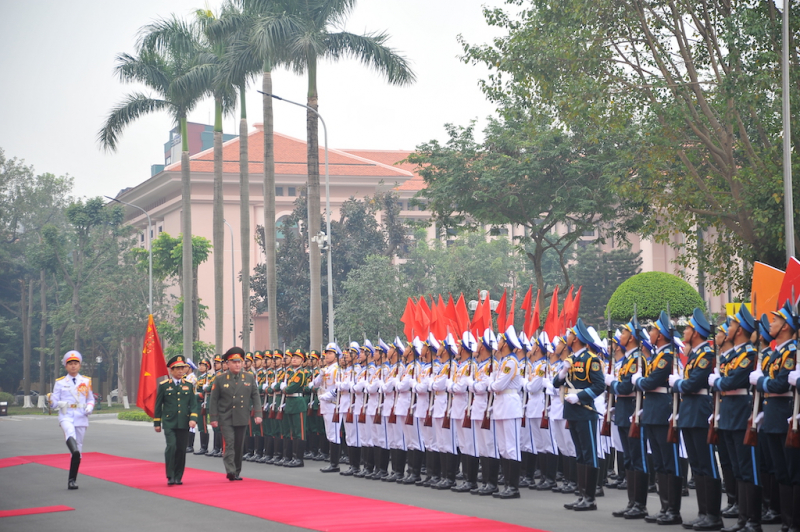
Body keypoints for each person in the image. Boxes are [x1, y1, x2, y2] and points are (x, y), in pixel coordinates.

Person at [554, 318, 605, 511]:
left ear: (575, 338)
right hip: (571, 411)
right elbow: (555, 384)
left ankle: (590, 499)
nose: (566, 336)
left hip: (585, 410)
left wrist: (581, 397)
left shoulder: (591, 360)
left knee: (589, 453)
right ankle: (582, 495)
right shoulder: (570, 360)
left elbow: (599, 385)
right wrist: (561, 374)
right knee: (580, 454)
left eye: (569, 333)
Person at [209, 347, 262, 481]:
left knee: (239, 445)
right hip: (225, 416)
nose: (237, 364)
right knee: (230, 443)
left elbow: (255, 396)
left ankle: (237, 471)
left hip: (242, 416)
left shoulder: (249, 377)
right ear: (227, 364)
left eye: (239, 362)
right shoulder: (220, 379)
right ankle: (230, 470)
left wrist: (258, 414)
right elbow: (213, 400)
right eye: (234, 362)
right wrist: (214, 418)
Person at [49, 350, 95, 490]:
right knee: (69, 433)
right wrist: (51, 401)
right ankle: (74, 451)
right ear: (66, 366)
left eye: (76, 363)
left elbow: (90, 399)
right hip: (66, 414)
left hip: (81, 415)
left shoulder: (86, 381)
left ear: (80, 365)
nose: (73, 366)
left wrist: (89, 408)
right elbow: (55, 402)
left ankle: (72, 480)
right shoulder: (60, 382)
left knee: (78, 448)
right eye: (70, 364)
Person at [153, 355, 199, 485]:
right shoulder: (164, 386)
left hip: (184, 422)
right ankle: (170, 475)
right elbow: (158, 405)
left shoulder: (189, 385)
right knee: (171, 446)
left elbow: (193, 405)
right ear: (171, 370)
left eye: (182, 368)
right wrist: (157, 422)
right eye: (177, 369)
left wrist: (193, 418)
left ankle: (178, 476)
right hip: (169, 422)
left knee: (181, 449)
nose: (180, 371)